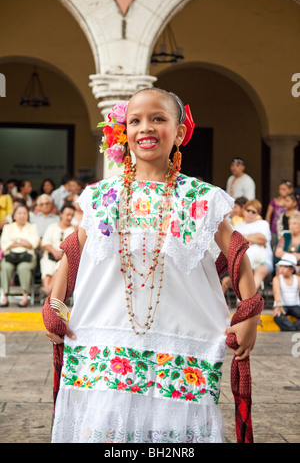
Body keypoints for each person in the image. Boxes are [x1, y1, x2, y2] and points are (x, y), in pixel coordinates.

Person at [43, 88, 262, 443]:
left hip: (182, 337)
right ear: (123, 131)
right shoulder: (101, 196)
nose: (146, 127)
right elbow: (74, 249)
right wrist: (54, 305)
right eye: (135, 120)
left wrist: (249, 315)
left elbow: (237, 252)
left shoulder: (199, 198)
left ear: (179, 132)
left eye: (158, 118)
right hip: (106, 335)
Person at [0, 204, 39, 307]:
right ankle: (5, 296)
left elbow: (33, 244)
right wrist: (23, 241)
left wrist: (15, 241)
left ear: (27, 215)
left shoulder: (32, 227)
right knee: (5, 267)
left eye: (24, 213)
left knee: (23, 268)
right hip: (10, 257)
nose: (22, 215)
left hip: (27, 257)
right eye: (19, 213)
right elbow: (4, 245)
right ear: (14, 216)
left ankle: (25, 296)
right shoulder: (8, 227)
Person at [40, 204, 75, 296]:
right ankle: (50, 294)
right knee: (47, 268)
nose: (69, 217)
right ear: (61, 214)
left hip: (64, 259)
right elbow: (45, 243)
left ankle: (47, 292)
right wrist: (54, 251)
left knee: (59, 268)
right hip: (50, 256)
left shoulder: (74, 230)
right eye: (67, 214)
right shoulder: (52, 226)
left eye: (72, 215)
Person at [272, 256, 300, 331]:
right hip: (282, 305)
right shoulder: (277, 278)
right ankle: (294, 328)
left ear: (292, 269)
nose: (281, 269)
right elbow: (276, 293)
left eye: (285, 267)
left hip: (295, 305)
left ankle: (291, 328)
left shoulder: (297, 278)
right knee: (278, 316)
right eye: (280, 266)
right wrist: (278, 305)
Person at [265, 180, 293, 247]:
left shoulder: (292, 202)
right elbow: (268, 217)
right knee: (273, 247)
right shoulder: (274, 201)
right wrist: (267, 230)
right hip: (274, 230)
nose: (281, 191)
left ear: (290, 190)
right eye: (280, 189)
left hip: (287, 230)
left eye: (284, 189)